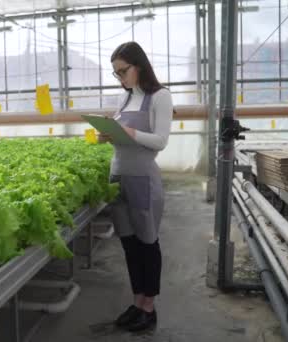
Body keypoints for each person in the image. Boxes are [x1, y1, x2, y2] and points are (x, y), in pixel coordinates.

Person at [98, 41, 173, 332]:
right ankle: (136, 301)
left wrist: (129, 131)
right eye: (116, 73)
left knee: (147, 243)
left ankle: (149, 308)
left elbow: (161, 141)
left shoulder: (160, 96)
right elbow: (123, 135)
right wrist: (110, 134)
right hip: (118, 175)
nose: (120, 78)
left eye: (123, 71)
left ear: (139, 65)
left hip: (143, 178)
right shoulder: (124, 97)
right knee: (129, 244)